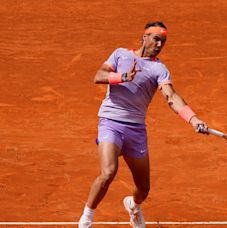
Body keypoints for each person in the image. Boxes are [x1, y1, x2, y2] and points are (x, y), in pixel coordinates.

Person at [78, 21, 208, 228]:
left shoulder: (159, 69)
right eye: (156, 39)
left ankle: (133, 206)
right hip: (111, 122)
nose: (159, 44)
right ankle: (86, 219)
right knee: (108, 172)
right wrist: (122, 77)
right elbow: (98, 76)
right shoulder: (120, 54)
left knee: (143, 188)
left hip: (136, 130)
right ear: (144, 37)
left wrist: (193, 118)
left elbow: (171, 96)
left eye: (163, 41)